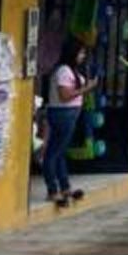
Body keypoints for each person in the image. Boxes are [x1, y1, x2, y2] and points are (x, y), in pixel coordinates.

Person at [44, 38, 96, 207]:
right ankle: (53, 190)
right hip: (62, 114)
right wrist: (87, 89)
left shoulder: (71, 70)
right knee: (53, 153)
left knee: (60, 152)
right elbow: (65, 96)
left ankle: (65, 187)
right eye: (81, 53)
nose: (82, 56)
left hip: (69, 114)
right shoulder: (63, 71)